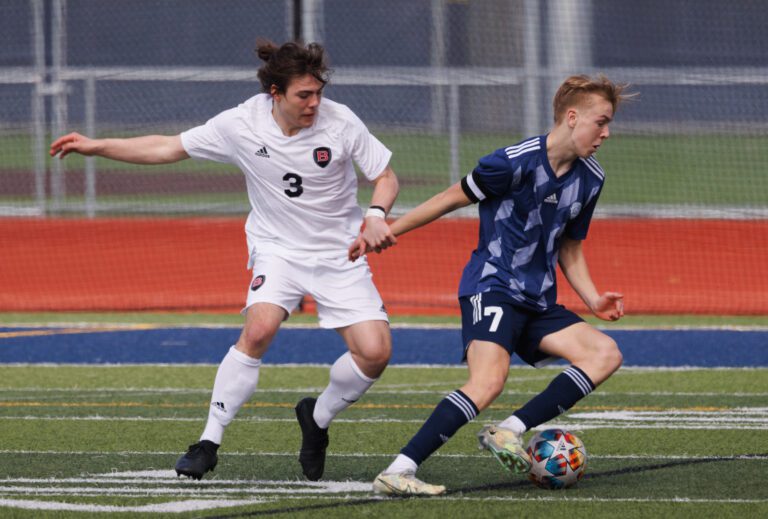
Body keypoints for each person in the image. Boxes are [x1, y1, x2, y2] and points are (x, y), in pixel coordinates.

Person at [50, 40, 399, 482]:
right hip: (277, 248)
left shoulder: (341, 121)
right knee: (259, 328)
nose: (314, 103)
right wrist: (97, 146)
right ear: (275, 93)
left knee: (375, 353)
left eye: (318, 93)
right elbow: (166, 147)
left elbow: (384, 175)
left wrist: (374, 215)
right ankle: (207, 443)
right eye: (303, 96)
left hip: (339, 251)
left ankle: (318, 418)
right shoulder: (241, 124)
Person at [349, 75, 630, 496]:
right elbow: (449, 198)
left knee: (605, 353)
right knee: (487, 382)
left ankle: (508, 430)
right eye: (601, 122)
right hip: (492, 286)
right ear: (572, 117)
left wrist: (593, 298)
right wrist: (389, 230)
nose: (607, 133)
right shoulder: (510, 163)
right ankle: (398, 471)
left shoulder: (591, 178)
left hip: (537, 300)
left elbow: (569, 244)